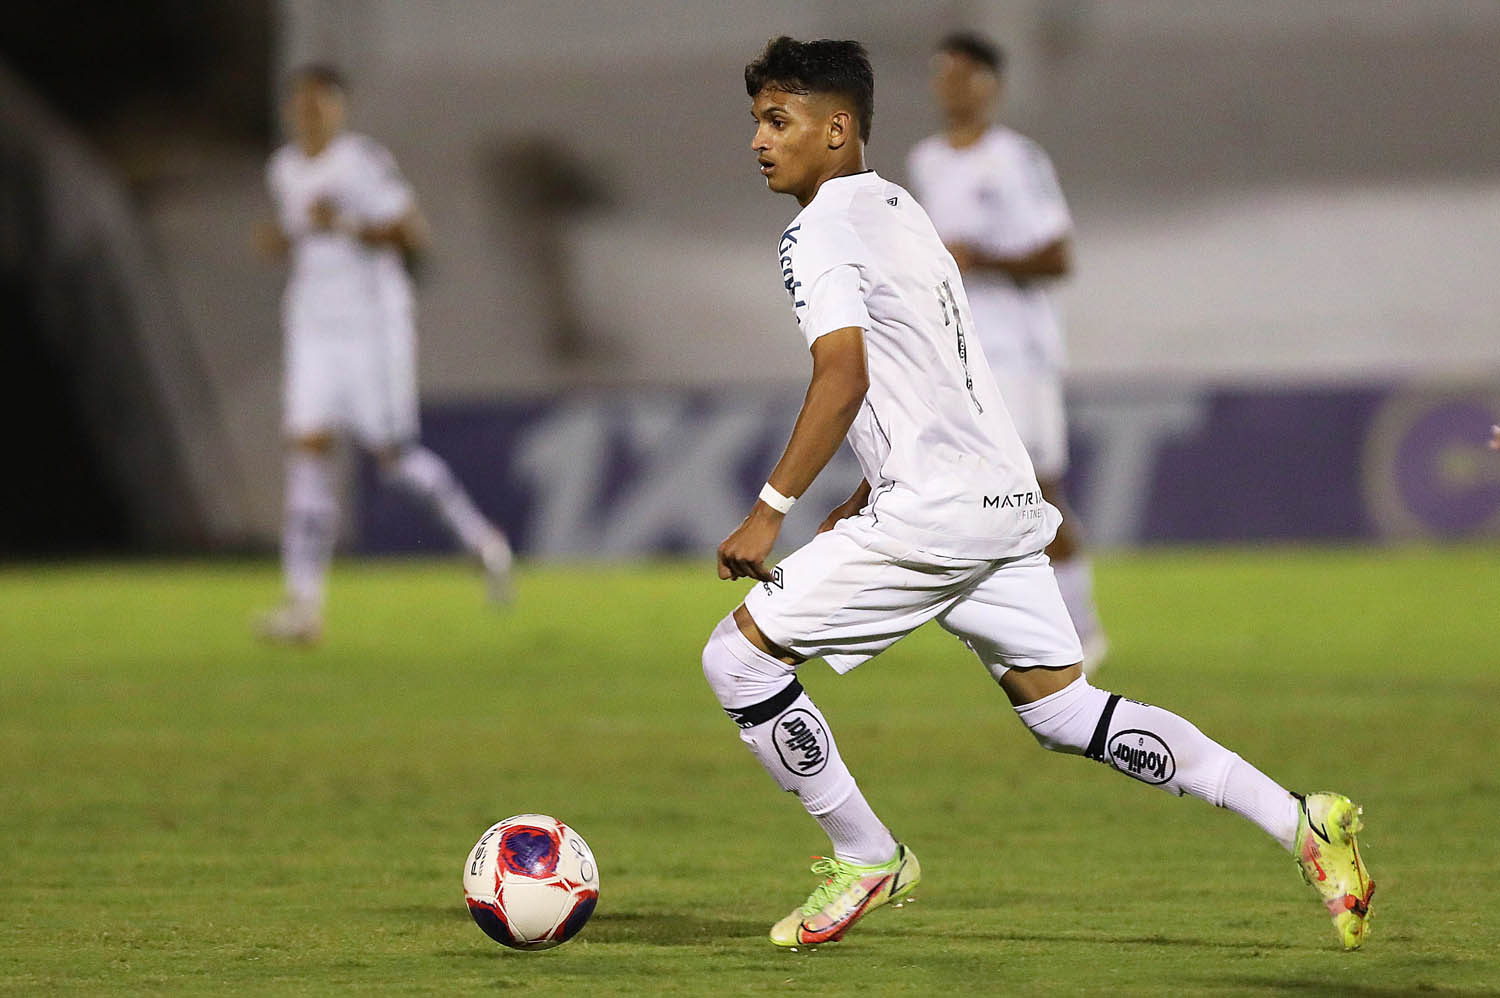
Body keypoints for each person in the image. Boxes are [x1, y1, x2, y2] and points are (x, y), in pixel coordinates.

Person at [703, 36, 1373, 951]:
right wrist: (869, 482)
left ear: (837, 127)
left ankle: (867, 855)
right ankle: (1302, 821)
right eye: (756, 123)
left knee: (738, 662)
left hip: (935, 510)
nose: (758, 141)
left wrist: (769, 509)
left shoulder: (816, 230)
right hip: (997, 498)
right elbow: (925, 366)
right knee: (1066, 711)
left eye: (777, 121)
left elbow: (844, 374)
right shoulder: (900, 207)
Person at [254, 65, 512, 644]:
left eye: (320, 105)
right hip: (312, 328)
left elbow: (412, 235)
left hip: (372, 329)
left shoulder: (362, 163)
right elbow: (296, 236)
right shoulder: (285, 169)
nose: (310, 115)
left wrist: (343, 222)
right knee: (308, 449)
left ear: (337, 110)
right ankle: (303, 606)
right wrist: (280, 238)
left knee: (392, 460)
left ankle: (482, 543)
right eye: (302, 105)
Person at [907, 32, 1106, 672]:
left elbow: (1057, 257)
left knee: (1038, 495)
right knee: (969, 494)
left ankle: (1082, 631)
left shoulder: (1017, 159)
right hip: (959, 355)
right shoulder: (928, 161)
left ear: (989, 84)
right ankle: (1017, 632)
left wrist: (981, 258)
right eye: (941, 74)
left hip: (1018, 354)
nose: (949, 86)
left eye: (962, 74)